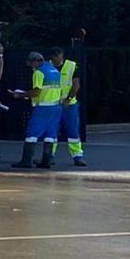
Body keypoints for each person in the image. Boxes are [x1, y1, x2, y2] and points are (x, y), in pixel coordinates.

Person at [14, 49, 64, 169]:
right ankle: (46, 161)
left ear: (35, 62)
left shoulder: (39, 72)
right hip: (56, 107)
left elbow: (36, 91)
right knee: (50, 135)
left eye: (31, 64)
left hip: (43, 108)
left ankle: (26, 161)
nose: (31, 67)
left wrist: (21, 95)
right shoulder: (54, 70)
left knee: (32, 133)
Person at [53, 39, 87, 168]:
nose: (56, 59)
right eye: (54, 57)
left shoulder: (72, 65)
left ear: (62, 55)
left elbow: (76, 84)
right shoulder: (48, 66)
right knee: (52, 131)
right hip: (54, 104)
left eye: (58, 56)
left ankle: (78, 156)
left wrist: (68, 98)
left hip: (69, 104)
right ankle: (49, 156)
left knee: (72, 130)